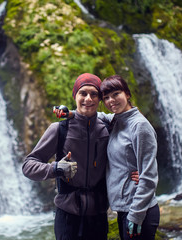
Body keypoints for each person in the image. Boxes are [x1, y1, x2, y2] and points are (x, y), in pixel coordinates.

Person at [54, 75, 159, 240]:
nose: (111, 101)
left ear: (127, 94)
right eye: (106, 97)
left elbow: (149, 176)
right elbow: (96, 116)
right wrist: (70, 114)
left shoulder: (139, 126)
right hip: (125, 208)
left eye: (116, 94)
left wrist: (136, 214)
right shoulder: (116, 121)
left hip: (138, 211)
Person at [22, 73, 110, 240]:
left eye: (94, 94)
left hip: (98, 216)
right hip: (68, 216)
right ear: (75, 96)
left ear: (100, 99)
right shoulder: (59, 129)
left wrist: (134, 172)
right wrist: (55, 168)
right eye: (83, 93)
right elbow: (28, 166)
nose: (88, 99)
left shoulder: (108, 128)